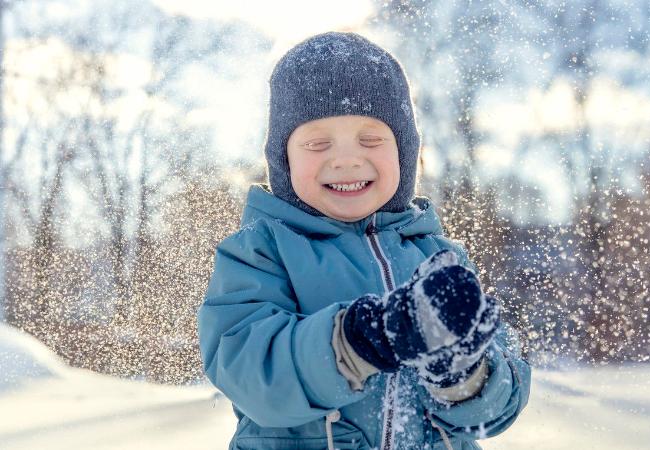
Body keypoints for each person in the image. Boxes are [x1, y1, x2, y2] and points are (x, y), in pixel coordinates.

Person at [197, 31, 531, 450]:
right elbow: (250, 370)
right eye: (318, 144)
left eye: (370, 140)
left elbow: (502, 402)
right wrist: (360, 339)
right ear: (284, 162)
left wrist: (463, 374)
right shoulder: (261, 250)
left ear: (404, 154)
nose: (347, 159)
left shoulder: (441, 257)